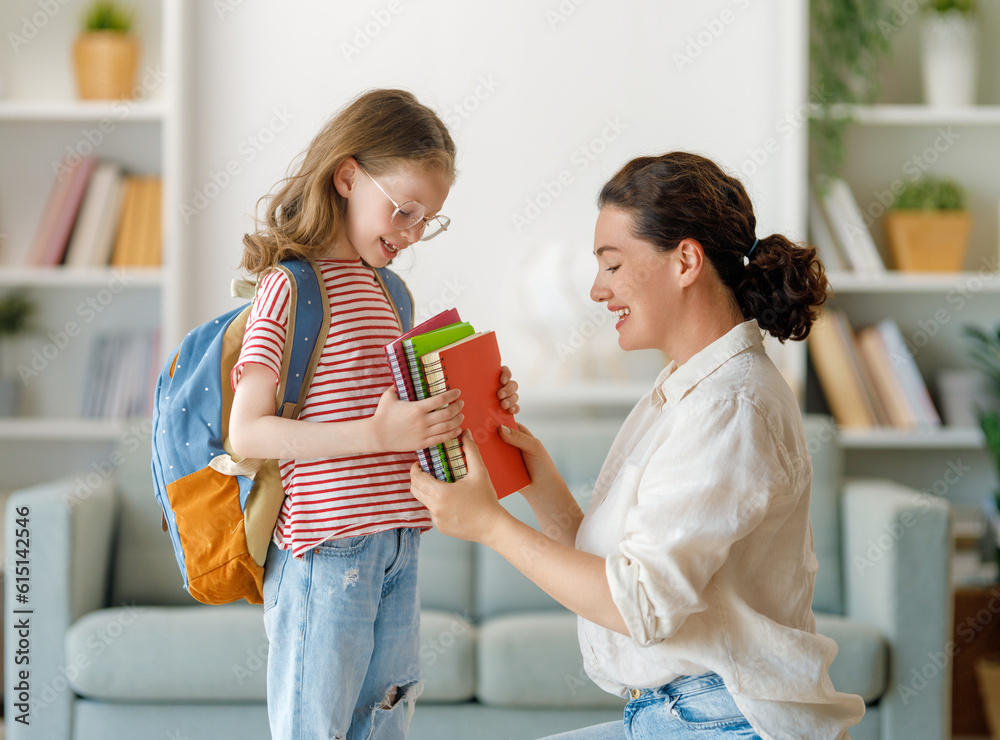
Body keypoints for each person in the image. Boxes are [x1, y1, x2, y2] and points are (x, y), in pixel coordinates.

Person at [410, 151, 866, 739]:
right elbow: (621, 575)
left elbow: (638, 607)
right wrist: (538, 480)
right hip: (687, 712)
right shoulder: (688, 388)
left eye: (613, 265)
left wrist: (490, 526)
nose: (598, 291)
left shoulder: (728, 407)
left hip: (728, 719)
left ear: (685, 261)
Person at [227, 88, 519, 740]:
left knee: (384, 722)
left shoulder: (394, 293)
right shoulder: (291, 286)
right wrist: (374, 434)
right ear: (348, 175)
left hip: (399, 547)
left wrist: (481, 405)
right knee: (315, 727)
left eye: (428, 220)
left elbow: (406, 421)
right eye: (405, 210)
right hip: (324, 552)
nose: (412, 233)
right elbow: (247, 431)